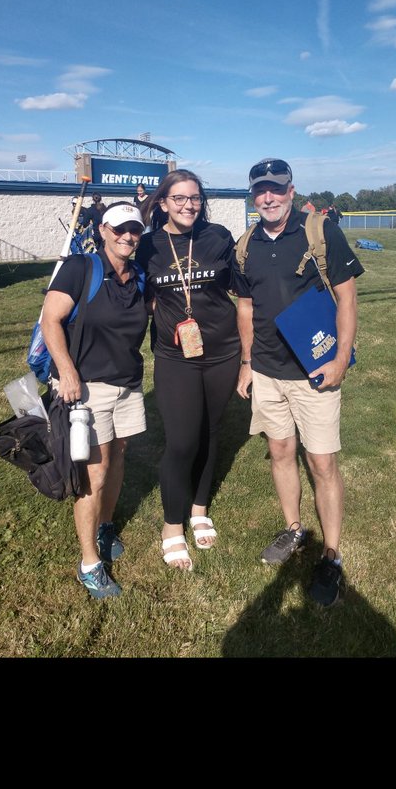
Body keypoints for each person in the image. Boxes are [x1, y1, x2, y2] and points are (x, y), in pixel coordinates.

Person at [233, 157, 364, 607]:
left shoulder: (319, 230)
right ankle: (293, 531)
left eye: (276, 188)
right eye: (260, 190)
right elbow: (246, 306)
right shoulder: (245, 243)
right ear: (253, 196)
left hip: (314, 373)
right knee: (280, 452)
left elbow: (347, 296)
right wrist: (248, 362)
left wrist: (342, 358)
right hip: (268, 371)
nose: (268, 197)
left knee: (323, 464)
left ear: (291, 190)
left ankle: (331, 555)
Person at [41, 201, 148, 599]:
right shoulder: (80, 268)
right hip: (87, 388)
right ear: (103, 229)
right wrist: (67, 370)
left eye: (135, 230)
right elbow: (50, 320)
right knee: (95, 473)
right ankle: (89, 563)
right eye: (120, 229)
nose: (128, 236)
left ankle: (105, 526)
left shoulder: (137, 276)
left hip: (128, 384)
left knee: (118, 453)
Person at [136, 170, 241, 570]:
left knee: (210, 432)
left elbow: (240, 289)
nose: (188, 205)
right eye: (179, 199)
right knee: (181, 441)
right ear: (163, 202)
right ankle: (171, 526)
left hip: (223, 350)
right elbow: (139, 297)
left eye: (194, 198)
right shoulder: (147, 246)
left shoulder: (217, 237)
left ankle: (199, 509)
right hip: (175, 354)